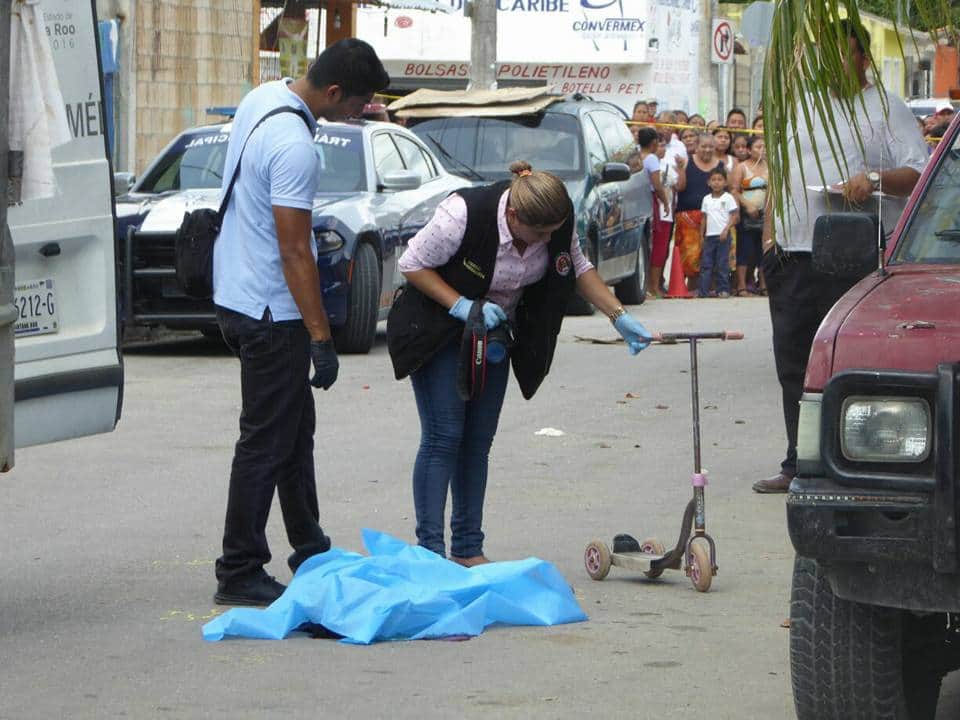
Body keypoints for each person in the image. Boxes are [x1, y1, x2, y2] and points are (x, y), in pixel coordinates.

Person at [388, 161, 653, 564]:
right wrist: (461, 305)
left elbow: (576, 265)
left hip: (494, 335)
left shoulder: (554, 221)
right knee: (444, 437)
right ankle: (430, 552)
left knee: (477, 443)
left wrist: (619, 315)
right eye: (538, 234)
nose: (547, 240)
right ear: (513, 215)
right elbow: (411, 264)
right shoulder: (463, 214)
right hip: (438, 330)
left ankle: (467, 549)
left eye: (552, 232)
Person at [210, 39, 390, 606]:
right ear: (334, 93)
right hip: (271, 311)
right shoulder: (295, 145)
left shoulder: (262, 97)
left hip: (236, 295)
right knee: (266, 440)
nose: (363, 113)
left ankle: (310, 546)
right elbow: (295, 252)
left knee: (293, 431)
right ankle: (238, 569)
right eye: (359, 103)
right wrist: (320, 336)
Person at [753, 20, 928, 493]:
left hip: (852, 252)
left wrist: (870, 180)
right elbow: (780, 173)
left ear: (863, 59)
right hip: (791, 252)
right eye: (821, 58)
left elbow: (918, 170)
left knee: (844, 362)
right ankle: (797, 462)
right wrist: (768, 241)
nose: (828, 68)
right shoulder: (799, 106)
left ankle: (848, 461)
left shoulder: (885, 107)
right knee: (792, 363)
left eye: (840, 57)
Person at [674, 133, 724, 289]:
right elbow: (679, 187)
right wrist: (681, 169)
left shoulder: (721, 166)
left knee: (714, 252)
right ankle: (692, 286)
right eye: (703, 146)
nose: (707, 150)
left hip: (715, 217)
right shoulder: (687, 162)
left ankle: (712, 286)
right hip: (689, 217)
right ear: (696, 147)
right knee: (690, 255)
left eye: (710, 146)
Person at [636, 127, 676, 298]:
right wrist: (665, 202)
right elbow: (657, 184)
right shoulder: (651, 158)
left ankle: (648, 285)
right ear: (653, 143)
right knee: (658, 243)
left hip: (638, 198)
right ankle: (654, 286)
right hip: (651, 198)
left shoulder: (636, 156)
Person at [729, 134, 768, 296]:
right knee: (744, 250)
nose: (762, 150)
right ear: (750, 150)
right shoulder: (741, 167)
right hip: (747, 214)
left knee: (764, 250)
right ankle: (742, 286)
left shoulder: (770, 166)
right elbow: (734, 190)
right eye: (758, 147)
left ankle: (764, 284)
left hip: (766, 214)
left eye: (764, 147)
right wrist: (747, 205)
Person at [698, 168, 739, 298]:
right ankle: (703, 291)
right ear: (709, 182)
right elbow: (704, 218)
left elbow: (734, 216)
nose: (716, 183)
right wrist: (701, 235)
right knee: (706, 264)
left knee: (722, 263)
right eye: (713, 180)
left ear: (725, 183)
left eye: (720, 180)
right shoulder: (706, 199)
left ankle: (723, 290)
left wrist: (726, 230)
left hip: (723, 236)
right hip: (709, 236)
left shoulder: (728, 198)